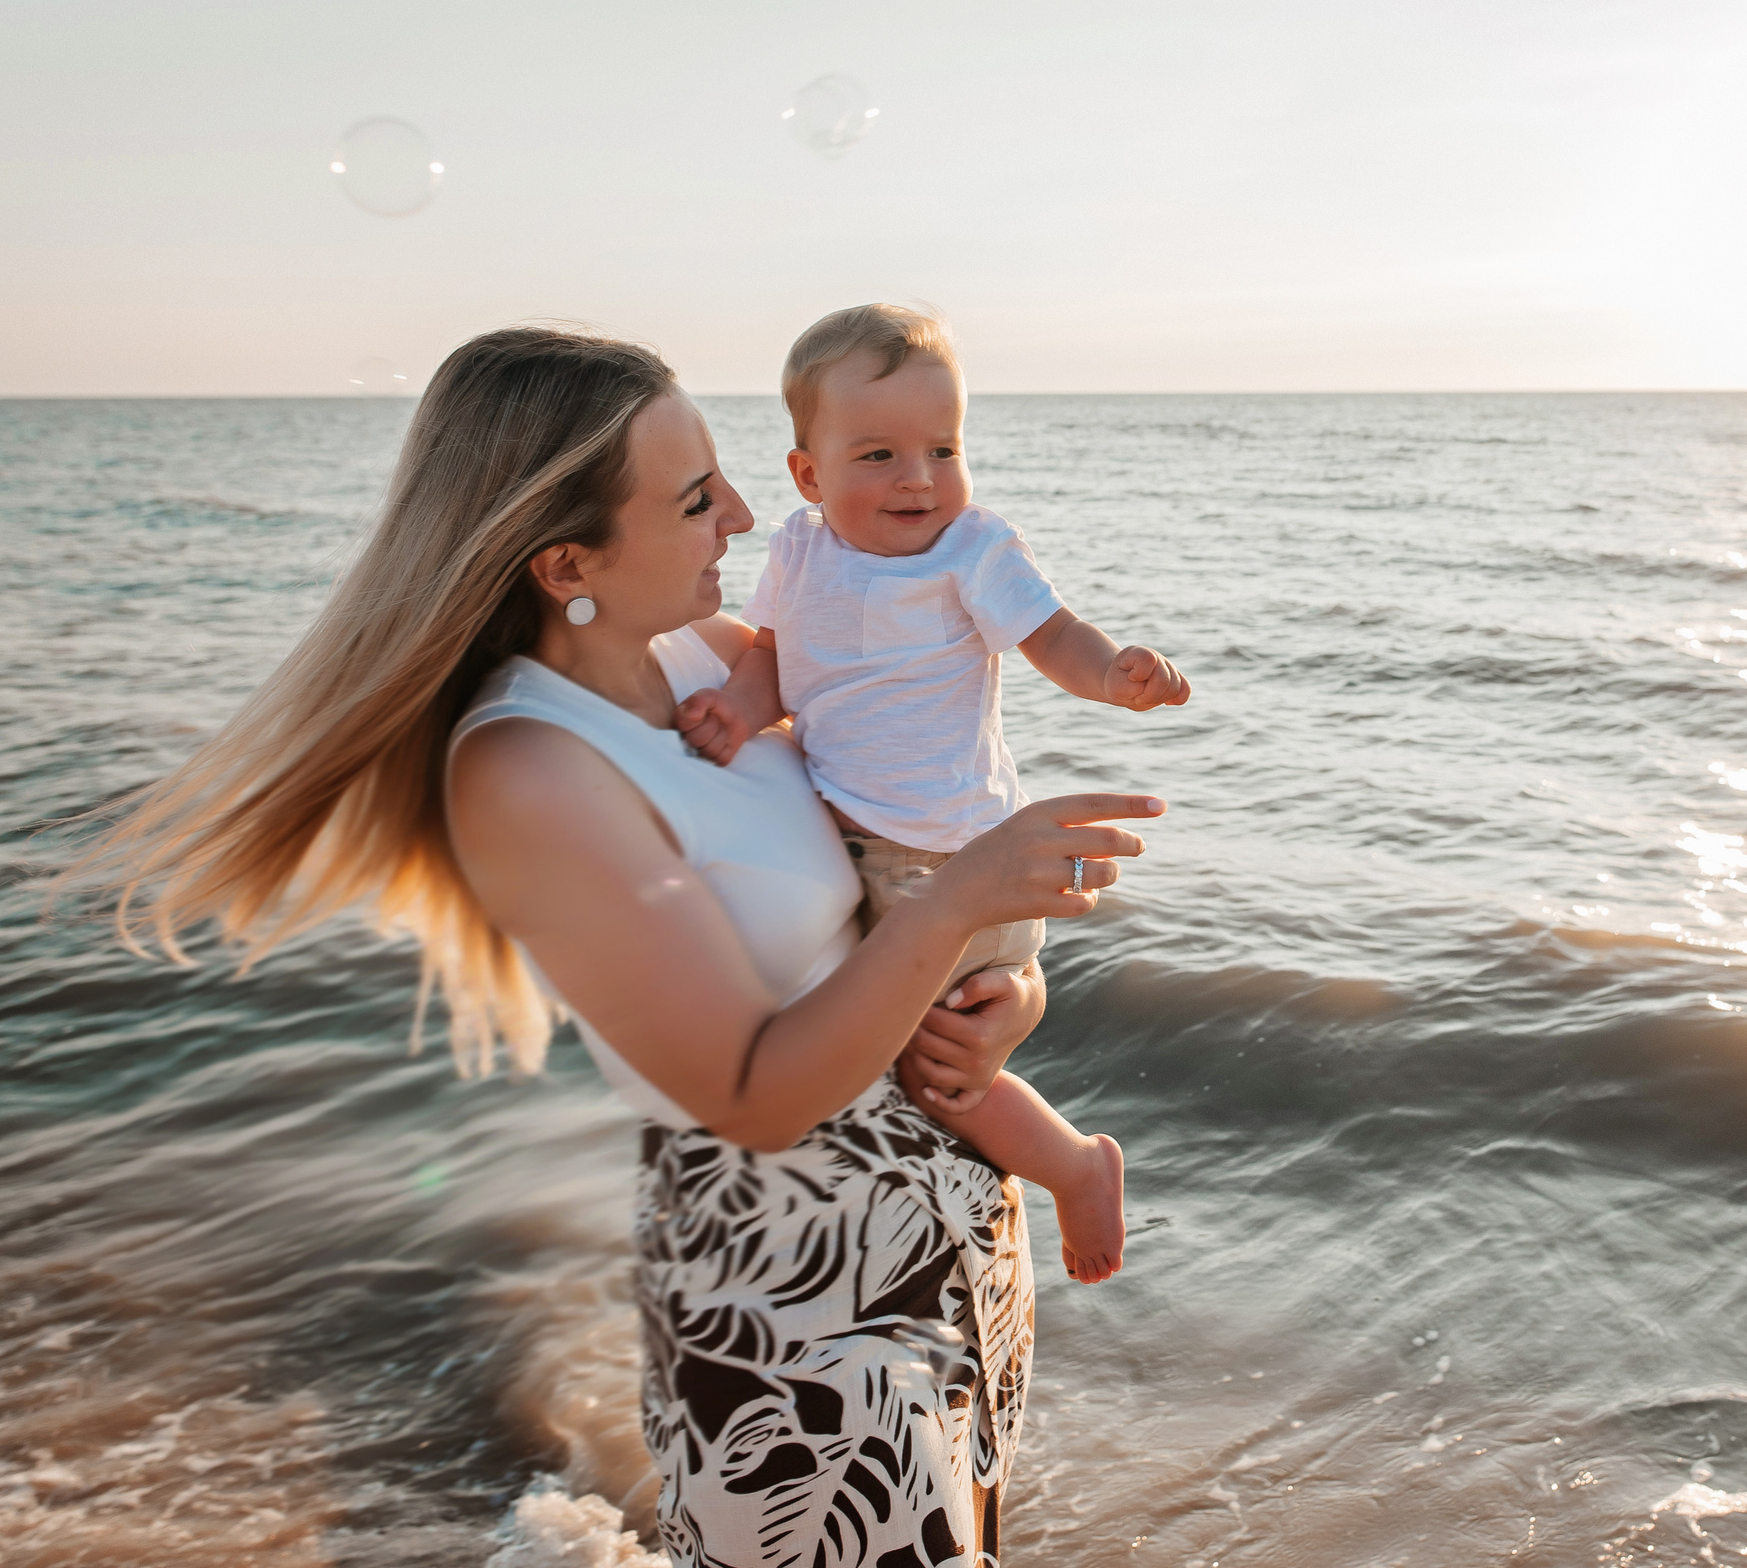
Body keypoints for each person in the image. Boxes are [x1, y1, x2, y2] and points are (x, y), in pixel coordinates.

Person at [64, 326, 1160, 1567]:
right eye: (697, 498)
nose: (744, 516)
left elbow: (876, 870)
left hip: (948, 1212)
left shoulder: (698, 654)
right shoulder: (529, 765)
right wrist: (959, 900)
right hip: (797, 1287)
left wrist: (1006, 993)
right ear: (564, 559)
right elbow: (756, 1090)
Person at [678, 304, 1190, 1287]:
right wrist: (739, 713)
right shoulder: (800, 549)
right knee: (908, 1058)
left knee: (938, 1071)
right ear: (807, 475)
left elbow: (1052, 636)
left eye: (942, 447)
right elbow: (775, 659)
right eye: (877, 454)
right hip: (879, 847)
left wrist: (1113, 673)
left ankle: (1074, 1165)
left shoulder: (973, 550)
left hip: (949, 858)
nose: (917, 477)